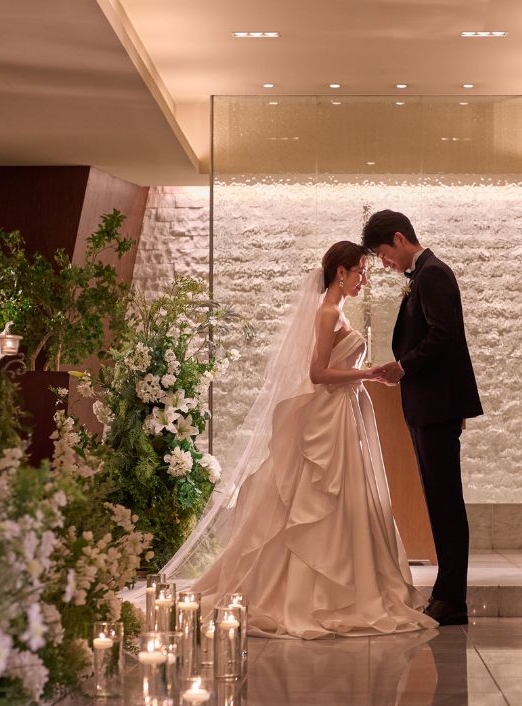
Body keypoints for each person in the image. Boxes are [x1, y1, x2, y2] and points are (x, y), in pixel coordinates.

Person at [162, 241, 435, 639]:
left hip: (341, 414)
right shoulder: (327, 313)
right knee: (319, 498)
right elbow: (318, 373)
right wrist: (367, 374)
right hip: (329, 415)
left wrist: (364, 377)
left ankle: (344, 586)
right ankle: (312, 594)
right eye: (360, 272)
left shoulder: (336, 311)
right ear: (340, 272)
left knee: (345, 500)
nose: (364, 280)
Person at [362, 210, 483, 628]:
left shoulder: (432, 274)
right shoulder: (424, 274)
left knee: (446, 501)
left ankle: (452, 599)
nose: (384, 264)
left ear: (399, 238)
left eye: (383, 254)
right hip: (428, 406)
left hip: (437, 406)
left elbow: (442, 336)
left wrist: (403, 367)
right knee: (439, 500)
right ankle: (445, 596)